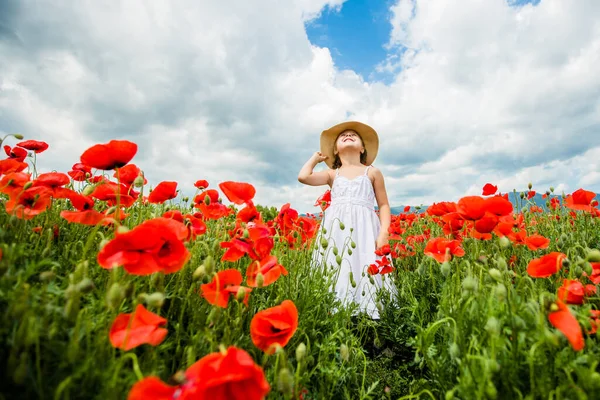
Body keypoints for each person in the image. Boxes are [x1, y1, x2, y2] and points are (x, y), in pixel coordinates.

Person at [298, 121, 394, 319]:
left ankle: (371, 316)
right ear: (335, 149)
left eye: (353, 135)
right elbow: (303, 177)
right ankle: (338, 312)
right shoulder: (332, 174)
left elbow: (383, 204)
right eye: (343, 135)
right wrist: (314, 159)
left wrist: (384, 232)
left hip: (366, 228)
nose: (348, 135)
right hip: (337, 231)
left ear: (362, 148)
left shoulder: (372, 172)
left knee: (366, 263)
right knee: (338, 266)